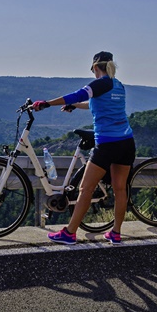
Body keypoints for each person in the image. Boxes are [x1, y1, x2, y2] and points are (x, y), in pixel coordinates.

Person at [32, 51, 136, 245]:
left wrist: (47, 103)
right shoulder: (118, 85)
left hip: (107, 143)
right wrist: (75, 106)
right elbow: (95, 102)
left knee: (85, 188)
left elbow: (78, 94)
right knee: (120, 189)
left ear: (96, 67)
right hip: (126, 142)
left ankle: (70, 233)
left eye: (92, 69)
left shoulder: (100, 83)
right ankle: (115, 233)